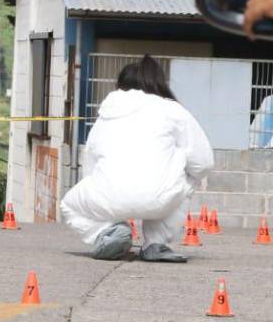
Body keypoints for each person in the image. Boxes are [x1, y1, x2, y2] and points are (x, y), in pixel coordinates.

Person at [60, 57, 214, 262]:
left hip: (108, 197)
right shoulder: (173, 110)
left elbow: (90, 162)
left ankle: (107, 233)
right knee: (188, 177)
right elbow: (203, 162)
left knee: (69, 205)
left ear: (120, 86)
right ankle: (156, 244)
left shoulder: (105, 113)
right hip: (162, 199)